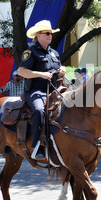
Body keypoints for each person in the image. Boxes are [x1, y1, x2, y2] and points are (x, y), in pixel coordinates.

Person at [18, 20, 66, 161]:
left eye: (50, 33)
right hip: (35, 91)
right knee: (39, 110)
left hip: (54, 90)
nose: (50, 36)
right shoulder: (30, 52)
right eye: (47, 33)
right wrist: (41, 74)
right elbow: (21, 71)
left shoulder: (54, 53)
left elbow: (59, 68)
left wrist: (62, 70)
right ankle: (37, 144)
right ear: (38, 35)